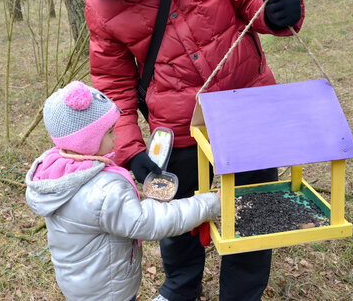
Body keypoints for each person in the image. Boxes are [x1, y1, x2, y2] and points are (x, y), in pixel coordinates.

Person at [77, 0, 305, 300]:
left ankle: (242, 294)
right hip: (176, 126)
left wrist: (276, 11)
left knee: (255, 215)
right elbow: (113, 84)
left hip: (247, 108)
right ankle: (181, 289)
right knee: (175, 222)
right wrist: (128, 148)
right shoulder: (101, 3)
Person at [24, 80, 221, 301]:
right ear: (87, 141)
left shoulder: (59, 169)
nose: (116, 137)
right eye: (109, 133)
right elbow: (149, 222)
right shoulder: (103, 191)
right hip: (108, 290)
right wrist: (208, 203)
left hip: (80, 283)